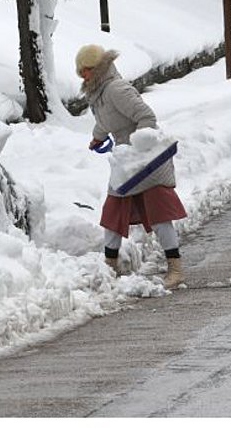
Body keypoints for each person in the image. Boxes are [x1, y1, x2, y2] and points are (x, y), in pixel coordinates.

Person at [76, 44, 188, 289]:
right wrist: (98, 137)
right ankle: (110, 268)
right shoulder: (99, 93)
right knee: (113, 213)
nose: (82, 76)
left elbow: (147, 117)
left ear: (97, 68)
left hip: (145, 161)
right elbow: (107, 121)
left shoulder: (116, 89)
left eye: (85, 71)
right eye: (80, 72)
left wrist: (137, 150)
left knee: (159, 215)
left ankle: (175, 269)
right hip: (125, 161)